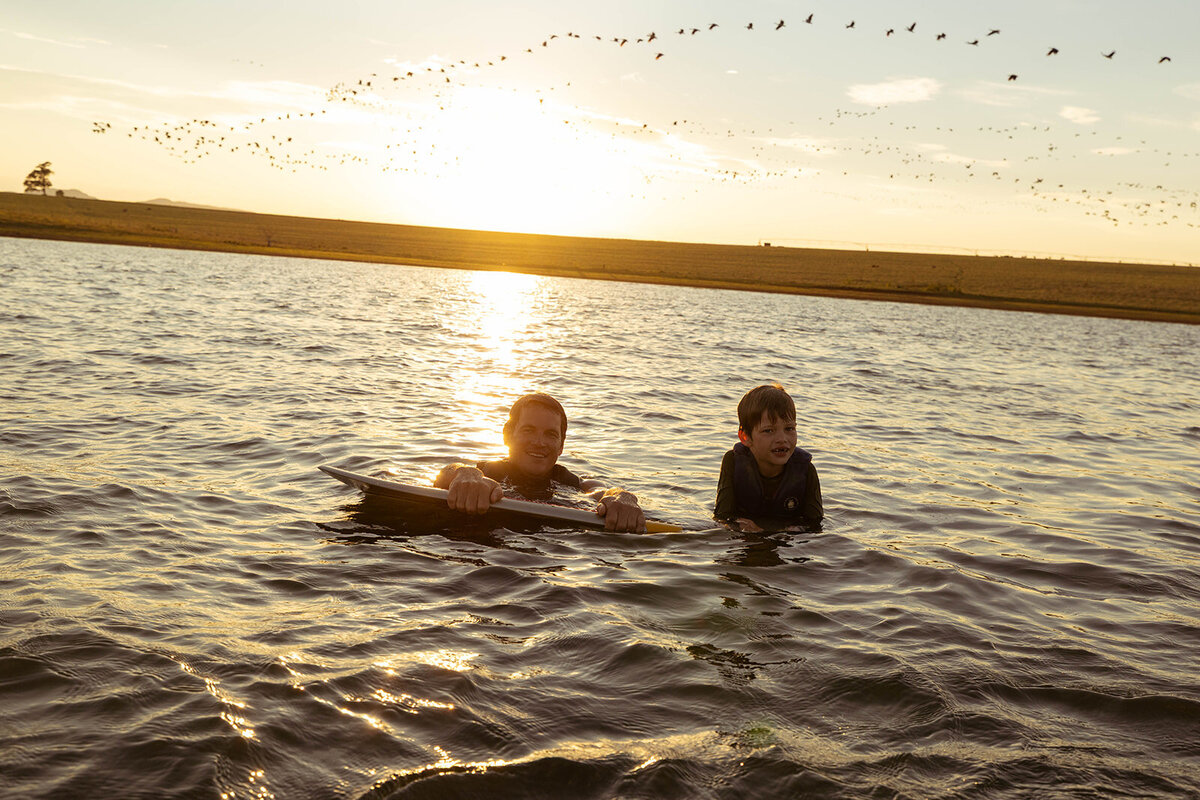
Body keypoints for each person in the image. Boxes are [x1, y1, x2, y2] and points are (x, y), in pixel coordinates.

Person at [434, 393, 647, 532]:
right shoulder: (483, 474)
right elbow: (448, 473)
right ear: (507, 435)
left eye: (550, 435)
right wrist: (463, 474)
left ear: (561, 446)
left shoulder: (576, 486)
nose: (539, 443)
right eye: (529, 430)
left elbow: (605, 492)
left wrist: (624, 498)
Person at [714, 383, 823, 532]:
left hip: (786, 543)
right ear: (745, 437)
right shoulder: (732, 462)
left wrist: (774, 533)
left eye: (789, 428)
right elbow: (722, 517)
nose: (782, 439)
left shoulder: (806, 470)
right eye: (768, 430)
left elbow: (815, 525)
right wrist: (740, 528)